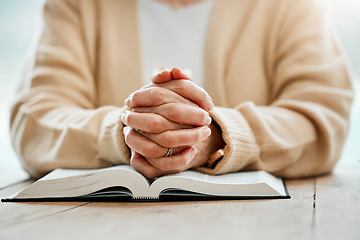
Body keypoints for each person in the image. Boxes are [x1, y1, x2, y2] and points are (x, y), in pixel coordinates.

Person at [10, 0, 353, 179]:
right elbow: (34, 120)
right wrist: (130, 132)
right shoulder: (76, 5)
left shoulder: (293, 5)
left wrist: (215, 138)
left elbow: (324, 118)